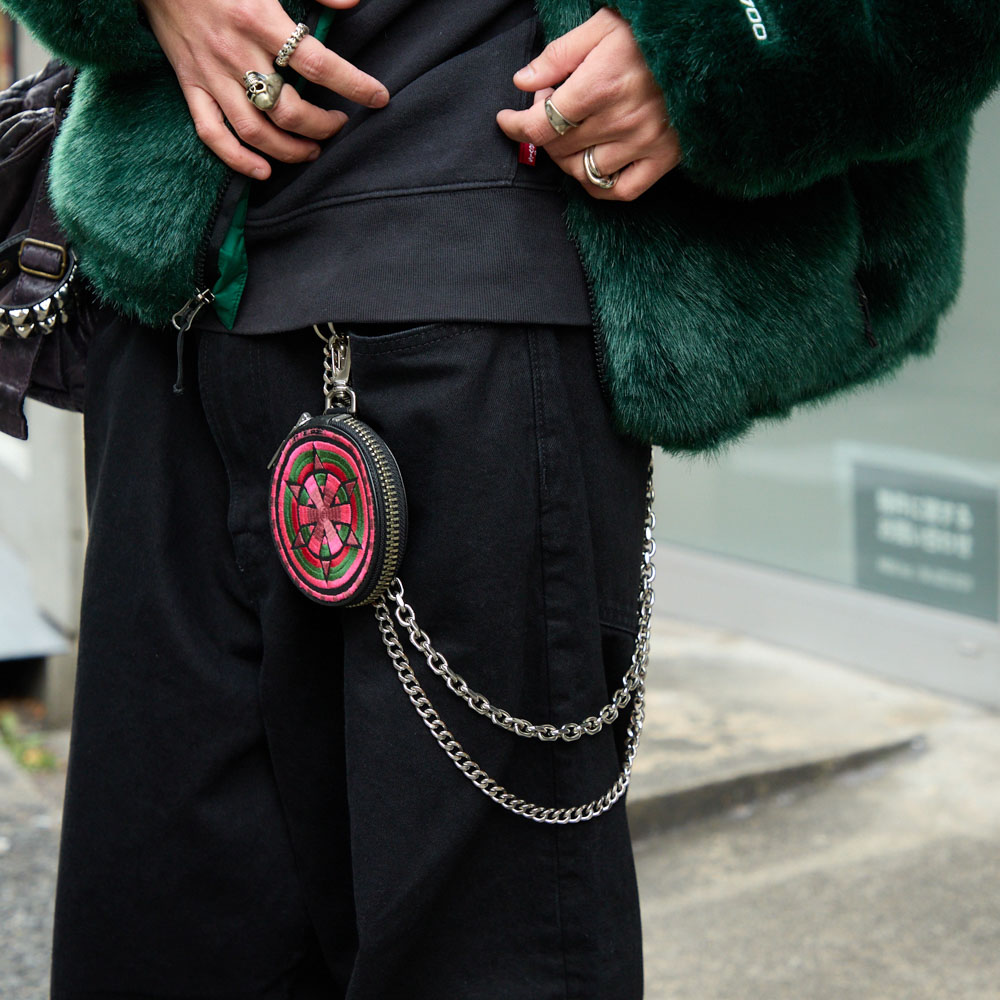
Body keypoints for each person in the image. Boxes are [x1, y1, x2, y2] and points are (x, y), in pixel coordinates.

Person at [2, 0, 999, 996]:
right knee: (154, 939)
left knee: (485, 955)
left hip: (486, 297)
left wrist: (726, 42)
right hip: (174, 302)